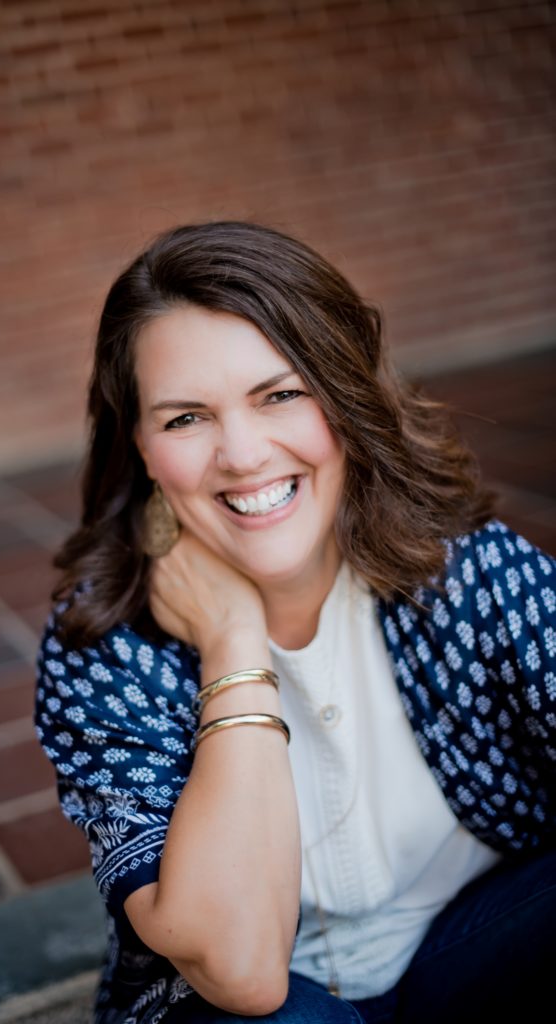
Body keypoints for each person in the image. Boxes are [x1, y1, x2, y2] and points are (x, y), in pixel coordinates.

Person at [34, 221, 555, 1024]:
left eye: (280, 394)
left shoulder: (469, 570)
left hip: (466, 951)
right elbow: (242, 974)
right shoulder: (104, 643)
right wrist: (232, 642)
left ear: (347, 395)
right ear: (139, 445)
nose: (242, 454)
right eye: (185, 418)